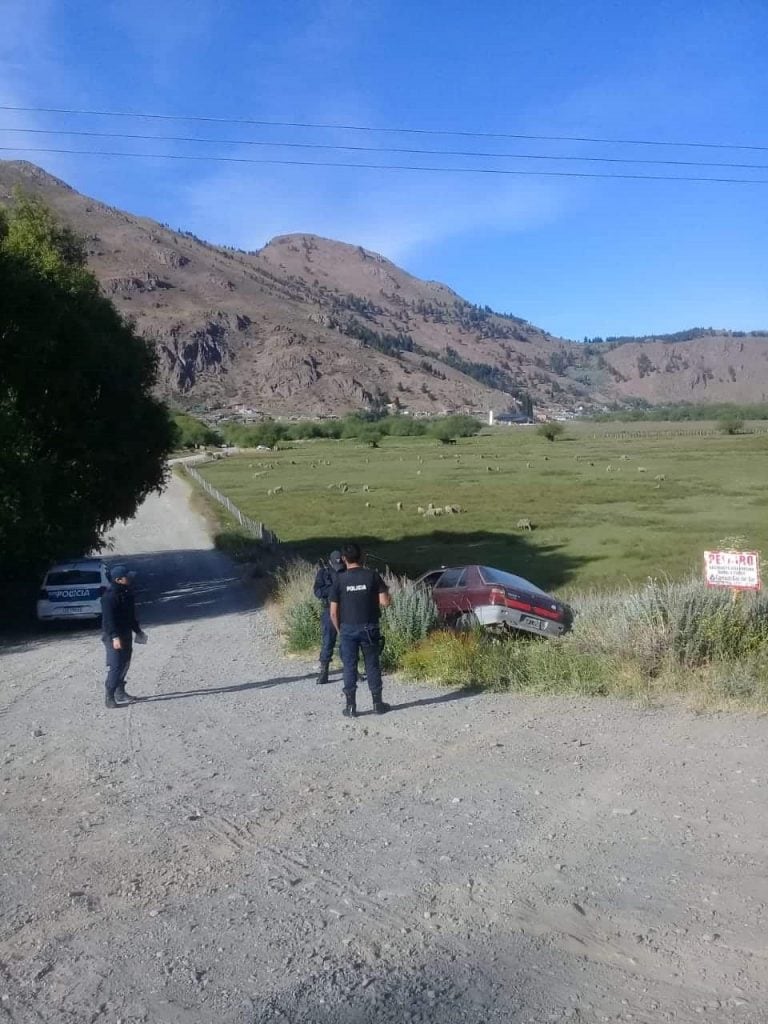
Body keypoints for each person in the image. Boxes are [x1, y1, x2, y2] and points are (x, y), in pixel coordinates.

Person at [329, 542, 391, 718]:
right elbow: (385, 602)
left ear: (343, 559)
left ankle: (350, 707)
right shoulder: (372, 576)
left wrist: (340, 631)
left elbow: (333, 612)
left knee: (349, 666)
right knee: (372, 665)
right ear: (362, 556)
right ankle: (378, 704)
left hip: (348, 629)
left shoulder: (339, 580)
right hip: (369, 627)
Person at [101, 564, 147, 708]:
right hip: (112, 636)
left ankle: (120, 692)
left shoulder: (127, 594)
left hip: (125, 633)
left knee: (125, 664)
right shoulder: (108, 597)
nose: (131, 578)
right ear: (118, 579)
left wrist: (138, 631)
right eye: (127, 577)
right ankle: (109, 697)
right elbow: (108, 621)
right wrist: (115, 638)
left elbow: (131, 617)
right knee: (116, 665)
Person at [312, 550, 345, 685]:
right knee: (328, 642)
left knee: (349, 642)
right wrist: (334, 589)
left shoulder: (346, 570)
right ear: (330, 562)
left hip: (347, 609)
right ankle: (324, 672)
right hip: (329, 609)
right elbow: (318, 591)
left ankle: (353, 671)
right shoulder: (324, 573)